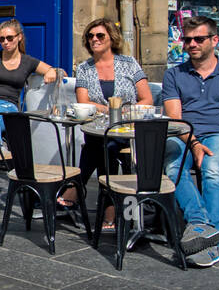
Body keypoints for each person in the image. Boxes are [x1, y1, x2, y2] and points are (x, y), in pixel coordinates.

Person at [161, 16, 219, 267]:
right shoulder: (174, 75)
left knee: (213, 170)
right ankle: (203, 228)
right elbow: (175, 119)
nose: (192, 44)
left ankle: (205, 237)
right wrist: (193, 143)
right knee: (173, 166)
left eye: (199, 39)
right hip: (185, 134)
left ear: (214, 40)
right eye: (188, 39)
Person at [59, 18, 153, 229]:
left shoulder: (129, 64)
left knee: (104, 147)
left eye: (100, 35)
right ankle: (108, 211)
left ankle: (76, 185)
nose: (94, 39)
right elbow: (83, 102)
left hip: (127, 130)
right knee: (103, 145)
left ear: (112, 38)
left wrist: (121, 112)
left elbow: (147, 99)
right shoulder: (84, 68)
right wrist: (112, 110)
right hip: (97, 129)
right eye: (90, 36)